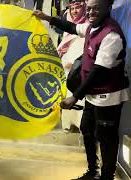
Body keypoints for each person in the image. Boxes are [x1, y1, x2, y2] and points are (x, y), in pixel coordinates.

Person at [34, 0, 130, 179]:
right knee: (86, 129)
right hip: (92, 95)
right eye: (89, 9)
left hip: (108, 97)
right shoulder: (91, 27)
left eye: (96, 8)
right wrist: (47, 18)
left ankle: (106, 177)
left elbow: (98, 72)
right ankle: (92, 171)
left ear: (107, 8)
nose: (91, 12)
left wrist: (75, 97)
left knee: (106, 139)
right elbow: (71, 27)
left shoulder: (111, 35)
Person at [57, 0, 88, 133]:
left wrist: (75, 63)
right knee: (67, 93)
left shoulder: (87, 27)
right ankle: (68, 124)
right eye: (72, 9)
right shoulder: (68, 29)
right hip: (67, 68)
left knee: (78, 96)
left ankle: (80, 125)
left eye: (78, 8)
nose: (74, 11)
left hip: (79, 68)